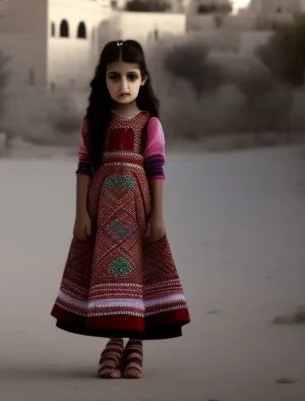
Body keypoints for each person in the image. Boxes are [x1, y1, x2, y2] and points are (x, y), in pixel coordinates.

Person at [50, 40, 190, 379]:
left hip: (138, 211)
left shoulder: (149, 124)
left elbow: (157, 170)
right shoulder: (94, 123)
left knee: (135, 272)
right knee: (110, 273)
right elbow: (84, 167)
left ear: (144, 79)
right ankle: (114, 341)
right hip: (102, 211)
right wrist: (80, 214)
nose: (122, 85)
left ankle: (136, 342)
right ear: (103, 79)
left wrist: (157, 216)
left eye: (131, 77)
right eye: (114, 77)